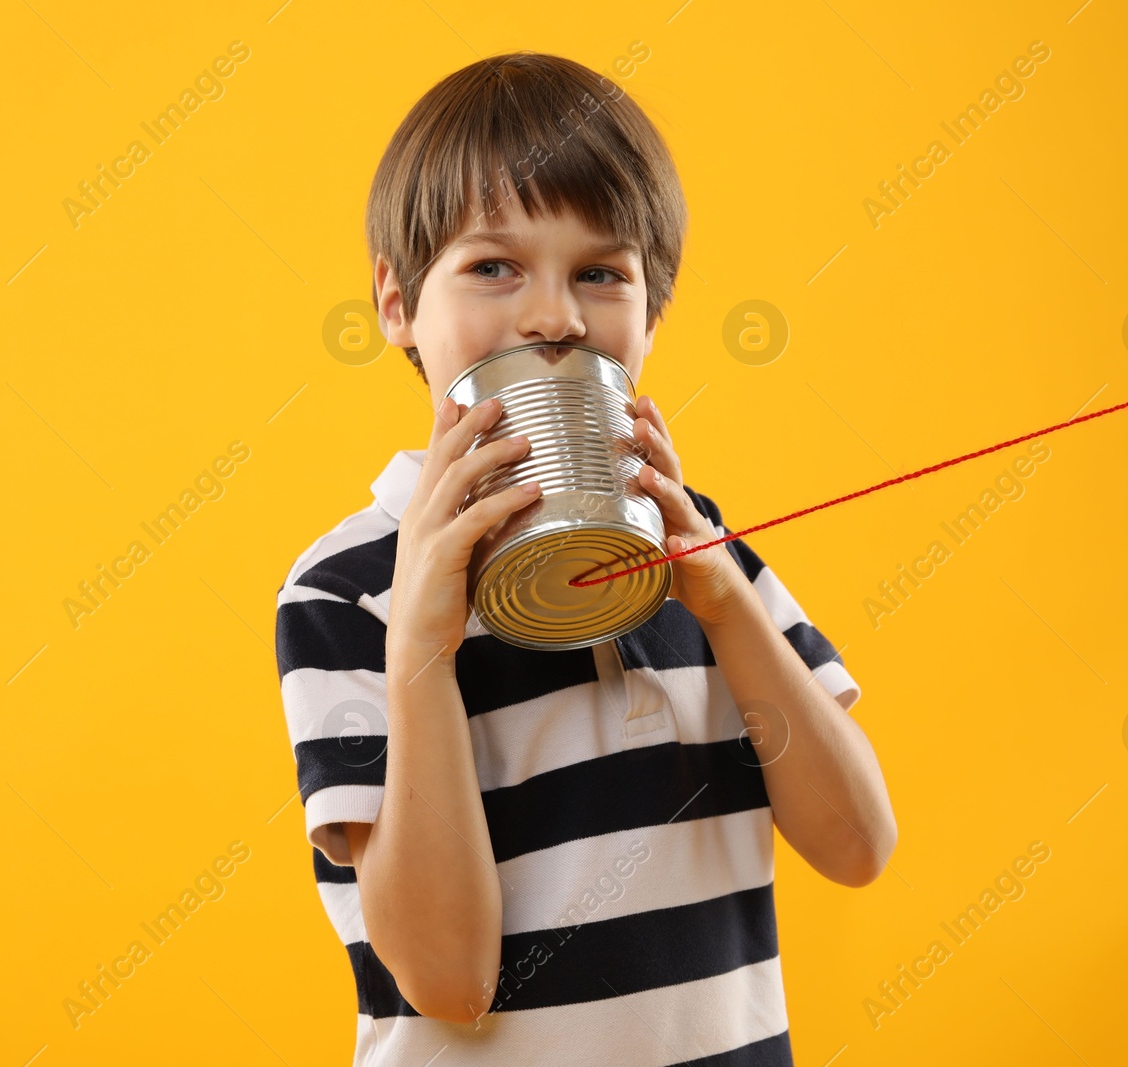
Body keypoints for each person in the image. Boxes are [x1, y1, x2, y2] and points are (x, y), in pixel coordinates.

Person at [275, 50, 897, 1065]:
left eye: (600, 274)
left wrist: (723, 600)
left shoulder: (706, 548)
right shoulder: (347, 591)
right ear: (396, 303)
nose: (555, 316)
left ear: (650, 315)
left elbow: (857, 846)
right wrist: (425, 649)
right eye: (493, 266)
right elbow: (447, 978)